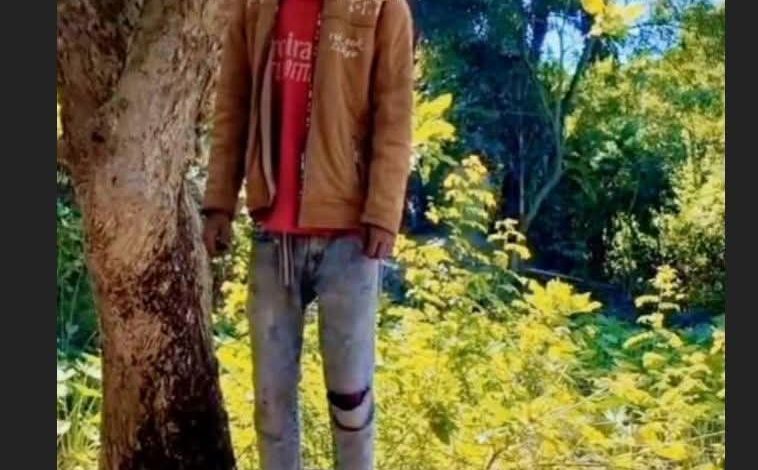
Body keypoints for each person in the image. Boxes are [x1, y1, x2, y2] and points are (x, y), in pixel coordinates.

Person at [201, 0, 414, 468]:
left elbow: (395, 113)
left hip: (350, 238)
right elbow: (232, 105)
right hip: (273, 236)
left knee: (351, 401)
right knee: (271, 403)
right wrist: (219, 202)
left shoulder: (382, 8)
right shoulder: (254, 7)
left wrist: (383, 211)